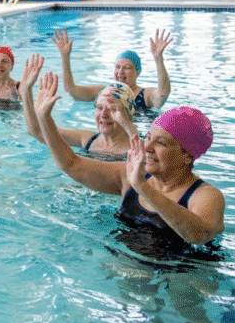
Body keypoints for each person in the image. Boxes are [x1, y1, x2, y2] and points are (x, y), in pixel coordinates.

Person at [33, 71, 224, 248]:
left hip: (182, 278)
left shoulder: (206, 196)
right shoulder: (129, 174)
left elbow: (199, 235)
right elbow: (71, 164)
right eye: (148, 137)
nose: (147, 147)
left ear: (187, 156)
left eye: (161, 143)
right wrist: (44, 118)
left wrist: (142, 187)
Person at [21, 54, 139, 160]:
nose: (103, 114)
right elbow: (37, 132)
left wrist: (127, 125)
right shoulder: (88, 139)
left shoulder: (138, 148)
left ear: (127, 115)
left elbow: (140, 152)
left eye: (113, 109)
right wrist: (26, 91)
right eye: (99, 107)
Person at [53, 28, 173, 110]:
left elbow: (162, 95)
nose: (120, 72)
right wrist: (65, 57)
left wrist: (158, 59)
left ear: (138, 72)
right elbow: (72, 91)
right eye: (117, 67)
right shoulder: (103, 91)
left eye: (127, 68)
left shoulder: (145, 95)